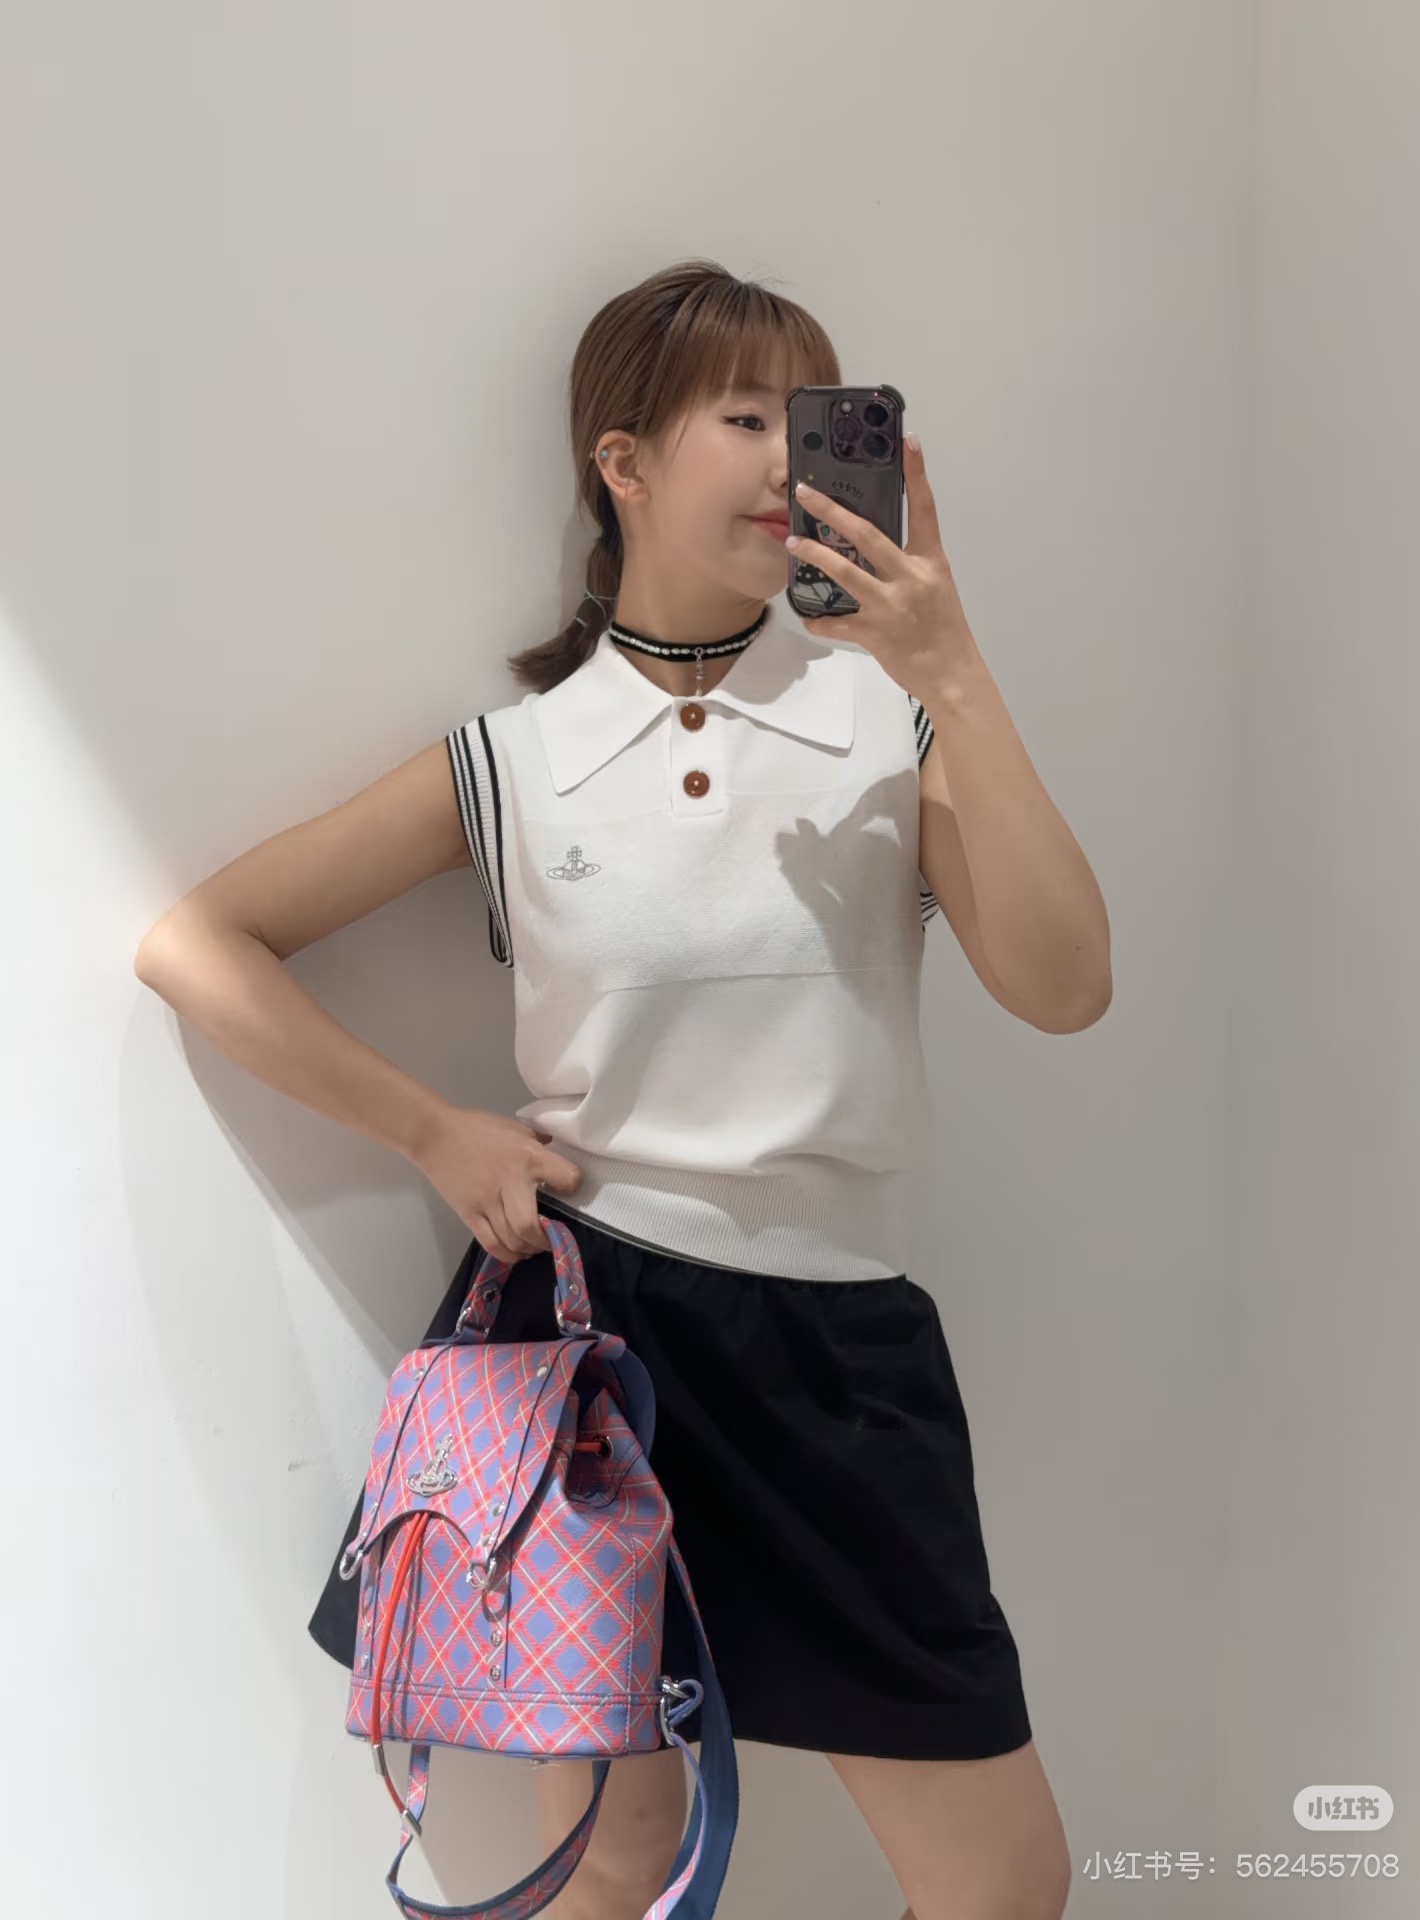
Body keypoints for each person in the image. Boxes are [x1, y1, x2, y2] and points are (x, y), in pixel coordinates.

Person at [136, 257, 1106, 1920]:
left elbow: (1067, 988)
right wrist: (431, 1130)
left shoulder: (891, 729)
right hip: (589, 1351)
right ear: (625, 461)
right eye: (747, 417)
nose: (791, 459)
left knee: (1004, 1879)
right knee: (617, 1858)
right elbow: (197, 943)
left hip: (837, 1363)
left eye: (817, 421)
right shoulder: (518, 759)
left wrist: (950, 668)